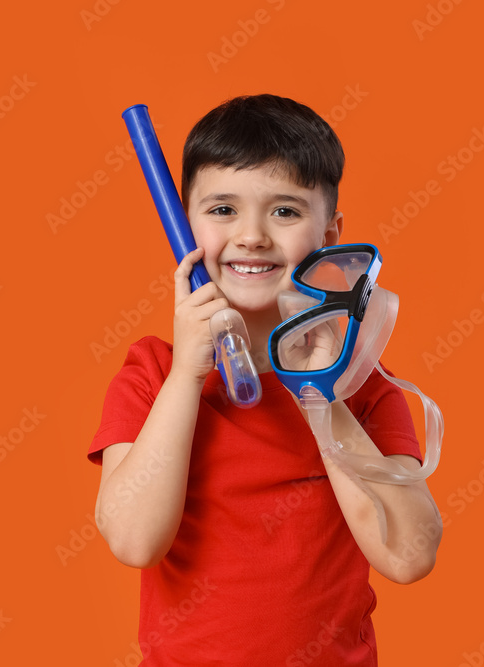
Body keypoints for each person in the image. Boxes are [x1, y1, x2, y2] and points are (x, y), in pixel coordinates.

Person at [88, 94, 442, 665]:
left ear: (330, 231)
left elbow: (409, 555)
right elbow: (133, 541)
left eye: (284, 211)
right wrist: (187, 376)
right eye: (223, 209)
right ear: (184, 224)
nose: (251, 235)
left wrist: (320, 395)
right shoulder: (153, 375)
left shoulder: (364, 386)